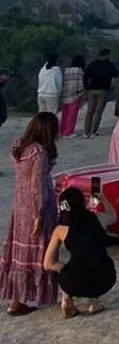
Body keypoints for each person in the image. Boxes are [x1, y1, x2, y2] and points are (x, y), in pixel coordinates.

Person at [0, 113, 59, 314]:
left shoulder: (19, 146)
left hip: (20, 205)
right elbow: (38, 186)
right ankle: (32, 297)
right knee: (39, 250)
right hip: (36, 207)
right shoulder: (39, 153)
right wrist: (39, 214)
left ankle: (16, 299)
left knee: (19, 253)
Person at [43, 187, 117, 317]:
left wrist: (65, 268)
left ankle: (66, 299)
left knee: (62, 270)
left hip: (74, 282)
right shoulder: (99, 219)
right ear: (82, 202)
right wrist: (103, 198)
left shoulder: (60, 230)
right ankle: (93, 303)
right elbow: (113, 216)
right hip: (104, 279)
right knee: (99, 262)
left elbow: (48, 264)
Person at [82, 48, 119, 137]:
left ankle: (86, 132)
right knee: (98, 112)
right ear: (107, 55)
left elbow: (85, 77)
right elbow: (116, 74)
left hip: (91, 90)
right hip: (103, 90)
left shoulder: (92, 64)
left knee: (90, 111)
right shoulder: (109, 65)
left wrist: (87, 88)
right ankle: (93, 132)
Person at [59, 54, 86, 137]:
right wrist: (82, 92)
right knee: (72, 115)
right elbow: (81, 83)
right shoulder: (80, 70)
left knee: (65, 114)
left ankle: (61, 131)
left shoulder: (66, 70)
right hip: (75, 95)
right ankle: (68, 132)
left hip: (65, 94)